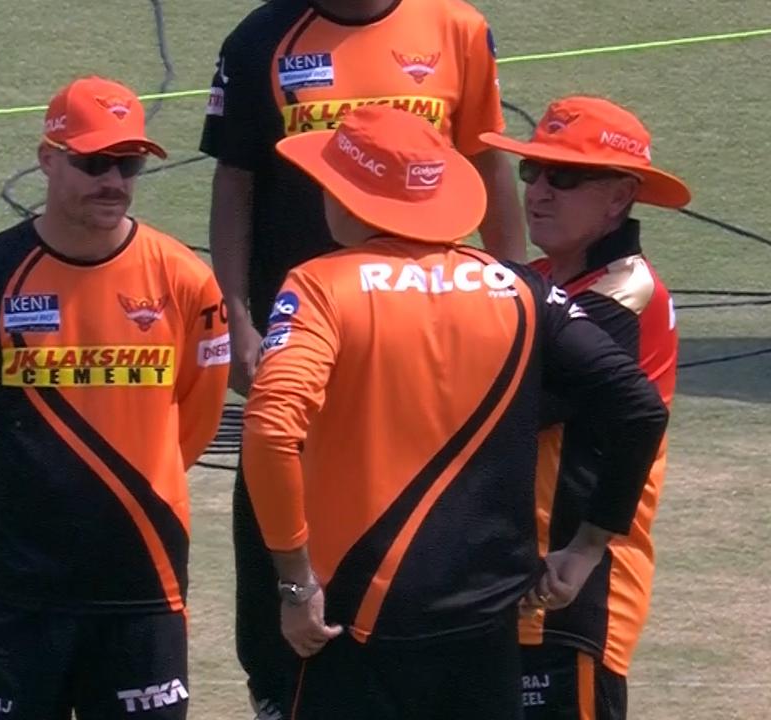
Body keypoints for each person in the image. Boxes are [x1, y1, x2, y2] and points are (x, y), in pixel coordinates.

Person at [239, 104, 670, 719]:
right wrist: (590, 543)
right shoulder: (521, 286)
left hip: (360, 619)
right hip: (489, 629)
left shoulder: (319, 285)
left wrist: (293, 580)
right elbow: (639, 408)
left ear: (350, 198)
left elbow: (272, 428)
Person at [198, 1, 527, 713]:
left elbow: (487, 163)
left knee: (429, 496)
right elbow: (236, 181)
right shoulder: (260, 40)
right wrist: (238, 321)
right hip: (305, 328)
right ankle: (278, 692)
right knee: (277, 485)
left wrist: (516, 294)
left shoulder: (458, 30)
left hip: (421, 330)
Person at [0, 75, 230, 720]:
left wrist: (139, 479)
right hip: (15, 588)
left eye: (128, 164)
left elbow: (195, 419)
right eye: (92, 163)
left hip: (143, 578)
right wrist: (21, 481)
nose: (113, 180)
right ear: (48, 159)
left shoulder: (187, 282)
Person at [479, 96, 690, 720]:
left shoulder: (623, 293)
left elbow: (517, 403)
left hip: (570, 583)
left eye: (564, 177)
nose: (539, 192)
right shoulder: (545, 279)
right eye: (531, 172)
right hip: (522, 576)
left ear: (620, 197)